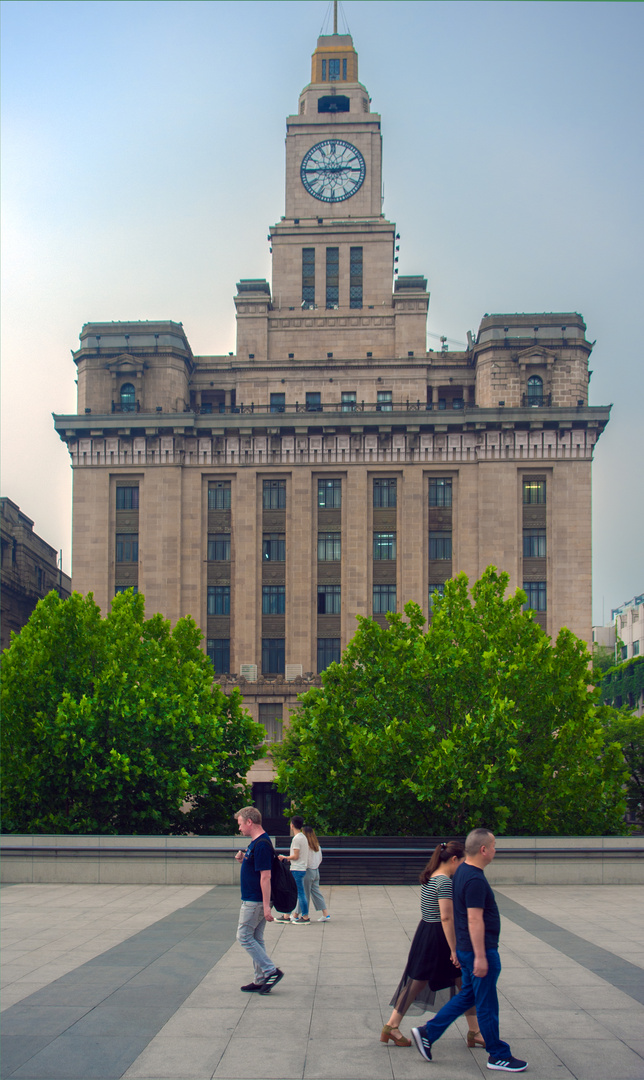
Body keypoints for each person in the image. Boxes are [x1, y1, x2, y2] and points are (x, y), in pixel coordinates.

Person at [411, 829, 528, 1073]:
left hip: (467, 949)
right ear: (483, 850)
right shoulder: (474, 879)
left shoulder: (463, 871)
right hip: (478, 951)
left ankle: (428, 1032)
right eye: (494, 845)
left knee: (469, 997)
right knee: (486, 1003)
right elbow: (474, 920)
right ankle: (497, 1054)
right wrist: (481, 956)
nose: (496, 850)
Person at [381, 841, 482, 1049]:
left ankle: (475, 1031)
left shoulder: (431, 876)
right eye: (461, 862)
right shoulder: (444, 882)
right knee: (422, 981)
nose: (462, 867)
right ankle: (392, 1025)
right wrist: (454, 949)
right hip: (438, 937)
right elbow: (446, 918)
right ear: (454, 860)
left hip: (426, 931)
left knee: (458, 981)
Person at [234, 806, 284, 993]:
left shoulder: (262, 844)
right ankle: (260, 978)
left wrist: (266, 907)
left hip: (255, 900)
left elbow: (266, 876)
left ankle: (271, 970)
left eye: (240, 824)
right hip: (254, 899)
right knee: (256, 937)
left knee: (244, 936)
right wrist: (242, 860)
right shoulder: (257, 842)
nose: (239, 828)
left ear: (249, 822)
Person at [278, 814, 310, 922]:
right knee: (295, 892)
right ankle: (287, 915)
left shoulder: (296, 839)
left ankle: (305, 916)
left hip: (296, 868)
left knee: (298, 893)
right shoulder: (303, 837)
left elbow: (295, 856)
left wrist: (284, 857)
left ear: (292, 825)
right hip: (301, 869)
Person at [301, 825, 330, 921]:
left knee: (304, 894)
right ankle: (325, 913)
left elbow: (306, 861)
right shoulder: (317, 846)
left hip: (308, 871)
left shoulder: (306, 847)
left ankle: (302, 914)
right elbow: (320, 859)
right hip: (316, 871)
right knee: (316, 892)